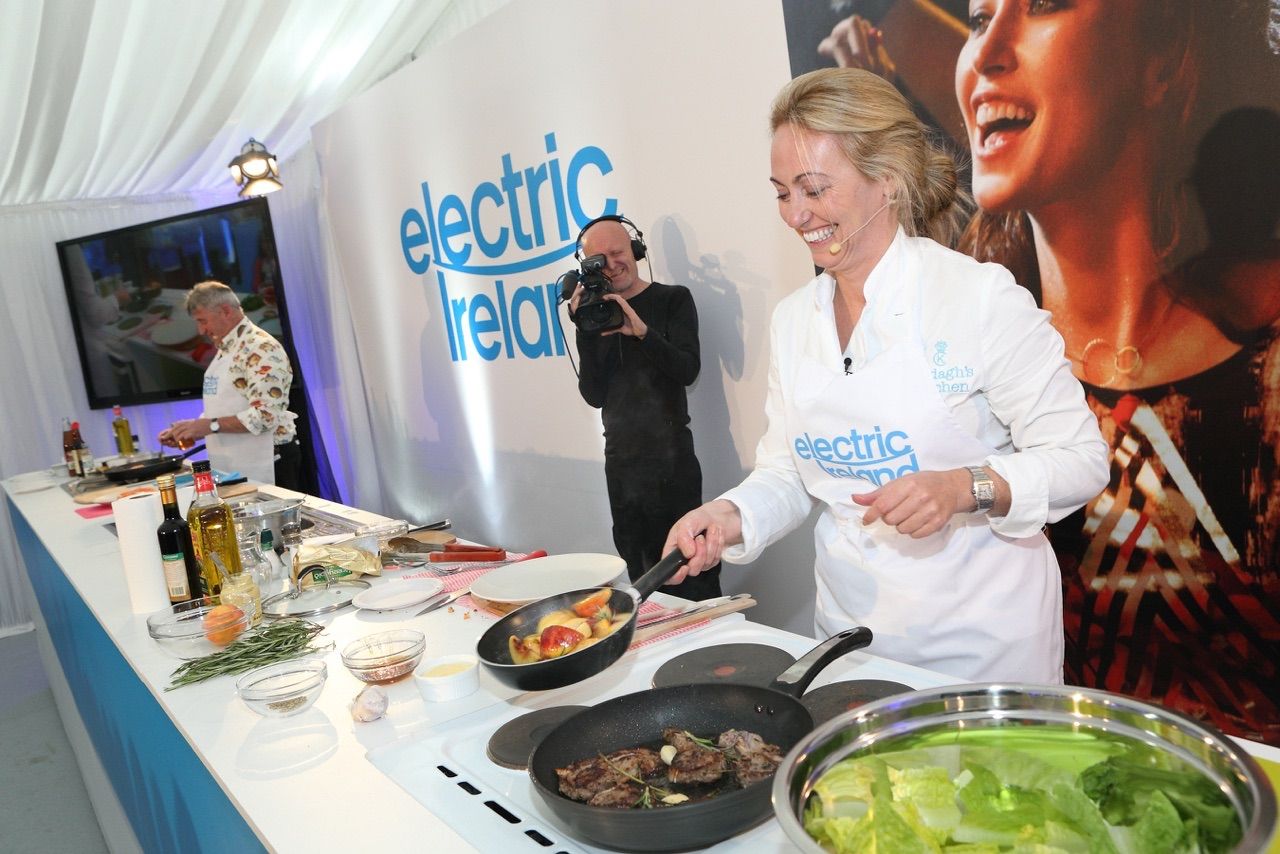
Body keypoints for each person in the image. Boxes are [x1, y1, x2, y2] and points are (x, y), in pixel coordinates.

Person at [816, 0, 1280, 742]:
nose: (988, 51)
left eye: (1046, 7)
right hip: (1023, 758)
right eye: (976, 19)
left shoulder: (1260, 366)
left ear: (1161, 61)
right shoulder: (959, 341)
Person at [664, 68, 1108, 682]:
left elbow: (1081, 458)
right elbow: (791, 472)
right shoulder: (796, 321)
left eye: (813, 189)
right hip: (851, 641)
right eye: (782, 192)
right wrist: (729, 514)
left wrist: (963, 486)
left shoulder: (976, 298)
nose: (796, 214)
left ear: (888, 181)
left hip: (983, 650)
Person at [570, 215, 722, 600]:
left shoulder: (673, 299)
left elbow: (688, 370)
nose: (612, 264)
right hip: (621, 467)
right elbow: (594, 395)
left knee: (693, 571)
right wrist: (584, 331)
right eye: (599, 259)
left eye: (618, 252)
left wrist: (641, 333)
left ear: (635, 250)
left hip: (672, 461)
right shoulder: (592, 315)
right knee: (640, 578)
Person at [159, 281, 300, 488]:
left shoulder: (261, 347)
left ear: (225, 311)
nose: (200, 330)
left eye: (202, 321)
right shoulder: (228, 346)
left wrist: (208, 425)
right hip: (238, 462)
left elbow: (265, 416)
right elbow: (229, 405)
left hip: (271, 460)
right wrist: (191, 430)